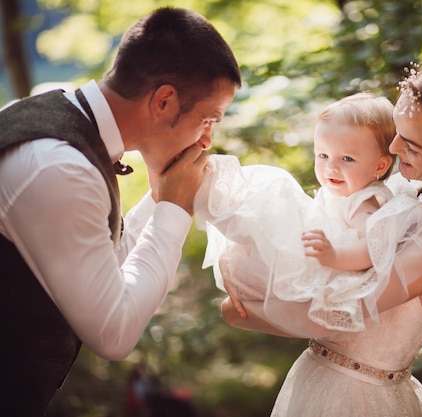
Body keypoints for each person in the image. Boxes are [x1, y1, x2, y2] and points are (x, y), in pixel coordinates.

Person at [220, 57, 422, 416]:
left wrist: (237, 310)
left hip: (359, 397)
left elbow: (347, 311)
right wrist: (248, 253)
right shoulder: (406, 195)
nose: (394, 148)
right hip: (324, 378)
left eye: (411, 145)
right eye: (397, 131)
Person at [0, 7, 241, 416]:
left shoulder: (62, 120)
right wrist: (174, 209)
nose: (206, 140)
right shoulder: (60, 167)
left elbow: (107, 262)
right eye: (208, 119)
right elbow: (113, 333)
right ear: (164, 100)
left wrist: (162, 196)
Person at [197, 93, 408, 331]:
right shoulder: (343, 194)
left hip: (320, 267)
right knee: (267, 213)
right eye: (323, 155)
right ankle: (211, 200)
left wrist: (334, 255)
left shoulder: (364, 201)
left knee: (277, 186)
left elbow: (372, 248)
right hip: (302, 265)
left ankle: (205, 194)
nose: (331, 167)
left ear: (380, 166)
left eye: (347, 159)